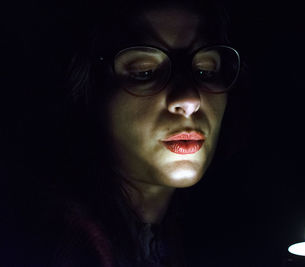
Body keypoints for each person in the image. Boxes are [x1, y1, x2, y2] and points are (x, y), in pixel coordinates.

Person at [14, 0, 246, 266]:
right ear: (90, 90)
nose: (189, 99)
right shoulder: (52, 248)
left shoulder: (212, 234)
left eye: (206, 71)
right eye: (144, 72)